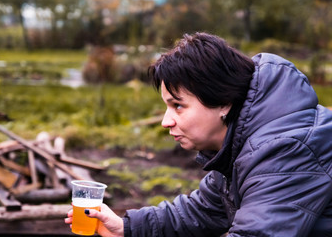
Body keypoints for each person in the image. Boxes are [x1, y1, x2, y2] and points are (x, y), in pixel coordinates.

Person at [65, 32, 332, 236]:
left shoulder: (286, 150)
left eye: (177, 105)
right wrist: (127, 227)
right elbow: (203, 211)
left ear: (223, 101)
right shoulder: (240, 144)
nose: (165, 122)